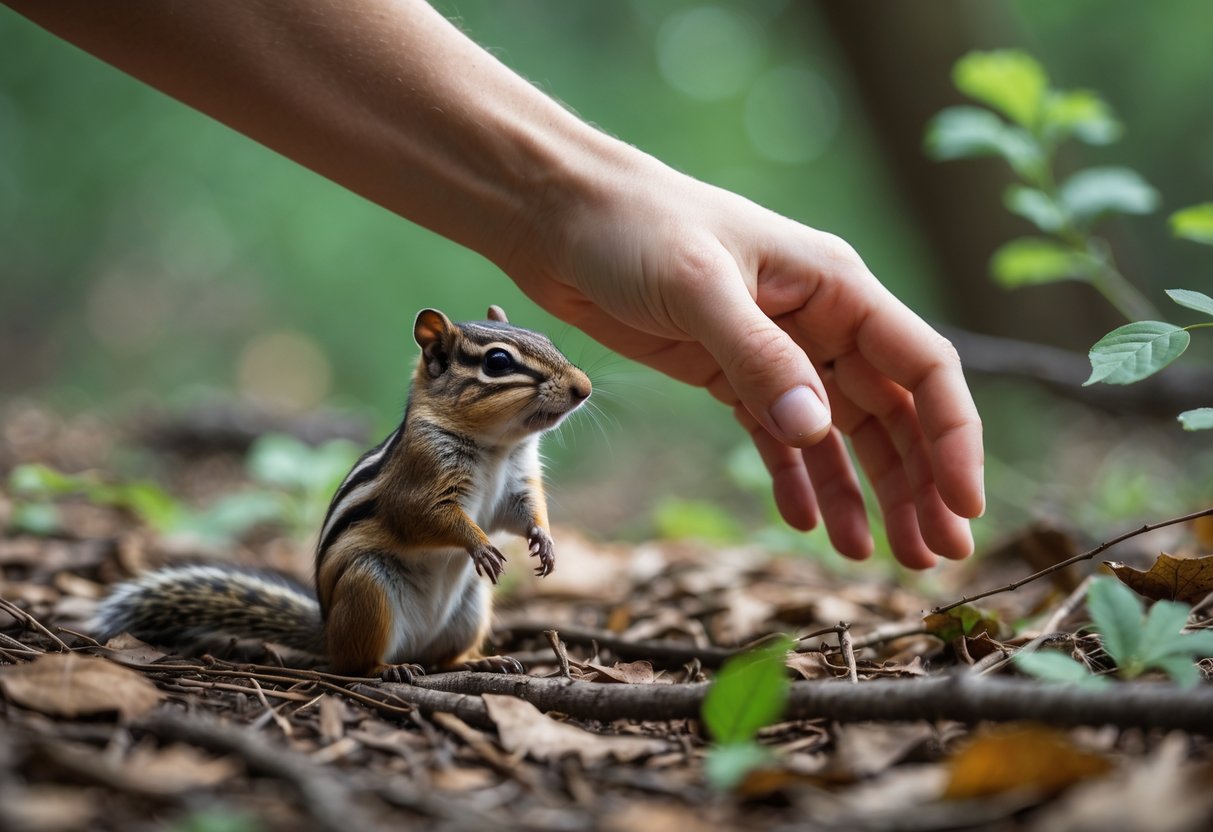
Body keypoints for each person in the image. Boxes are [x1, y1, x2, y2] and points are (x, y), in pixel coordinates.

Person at [5, 0, 983, 569]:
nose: (575, 384)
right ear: (437, 359)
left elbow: (517, 499)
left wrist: (564, 195)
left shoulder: (501, 435)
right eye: (519, 367)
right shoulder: (432, 443)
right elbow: (427, 512)